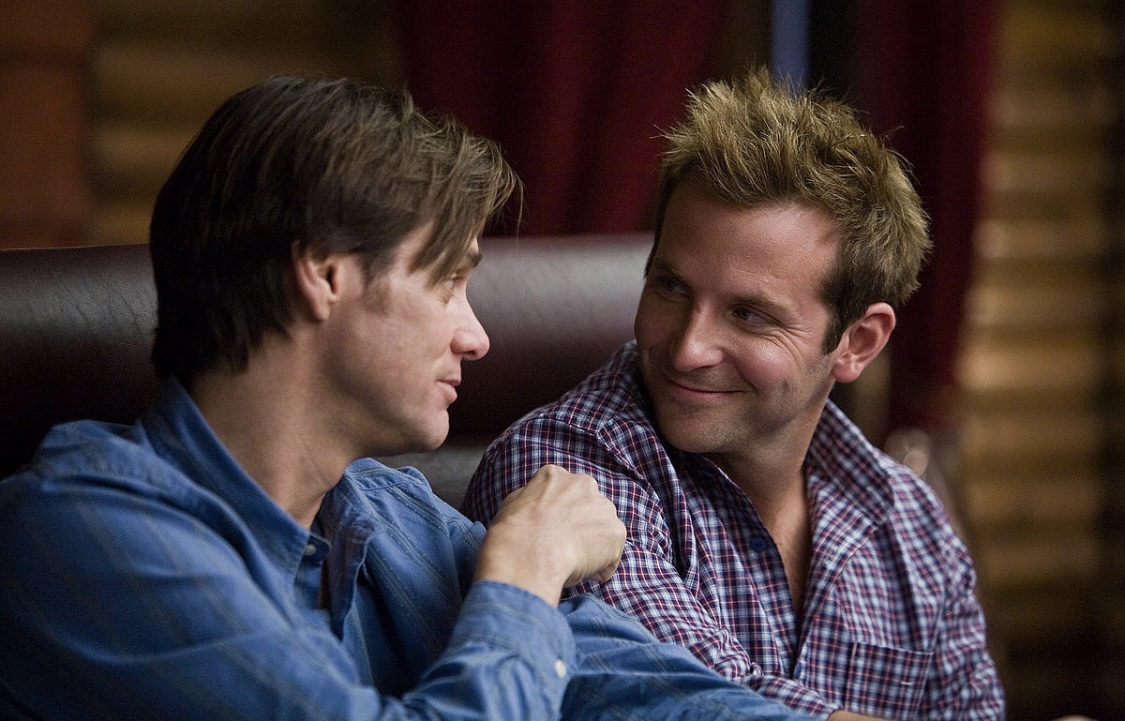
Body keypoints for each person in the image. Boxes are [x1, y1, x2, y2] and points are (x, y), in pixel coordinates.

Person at [0, 76, 807, 720]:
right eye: (449, 280)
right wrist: (526, 567)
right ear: (325, 275)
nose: (475, 335)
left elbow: (625, 680)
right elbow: (524, 614)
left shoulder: (383, 508)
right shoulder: (76, 531)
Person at [463, 68, 1005, 720]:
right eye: (670, 287)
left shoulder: (914, 527)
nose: (687, 348)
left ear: (857, 343)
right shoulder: (559, 468)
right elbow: (702, 703)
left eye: (749, 315)